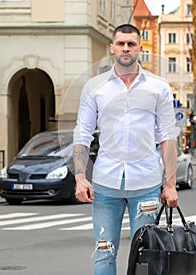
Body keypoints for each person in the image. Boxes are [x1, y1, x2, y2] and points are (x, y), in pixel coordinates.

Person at [73, 24, 179, 275]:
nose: (125, 48)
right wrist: (79, 177)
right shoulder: (94, 87)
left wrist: (171, 183)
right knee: (104, 252)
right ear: (112, 47)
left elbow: (167, 136)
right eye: (120, 43)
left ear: (140, 49)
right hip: (105, 185)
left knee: (144, 257)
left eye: (131, 44)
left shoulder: (158, 87)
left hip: (146, 185)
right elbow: (82, 133)